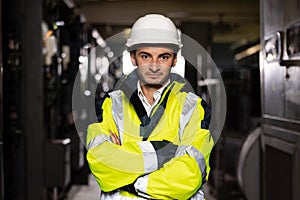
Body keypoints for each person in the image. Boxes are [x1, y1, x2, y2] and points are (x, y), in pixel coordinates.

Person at [86, 14, 214, 200]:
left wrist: (132, 180)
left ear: (175, 60)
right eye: (145, 56)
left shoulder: (194, 108)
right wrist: (166, 154)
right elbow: (101, 161)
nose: (154, 66)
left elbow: (189, 174)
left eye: (163, 57)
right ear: (133, 58)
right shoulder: (110, 105)